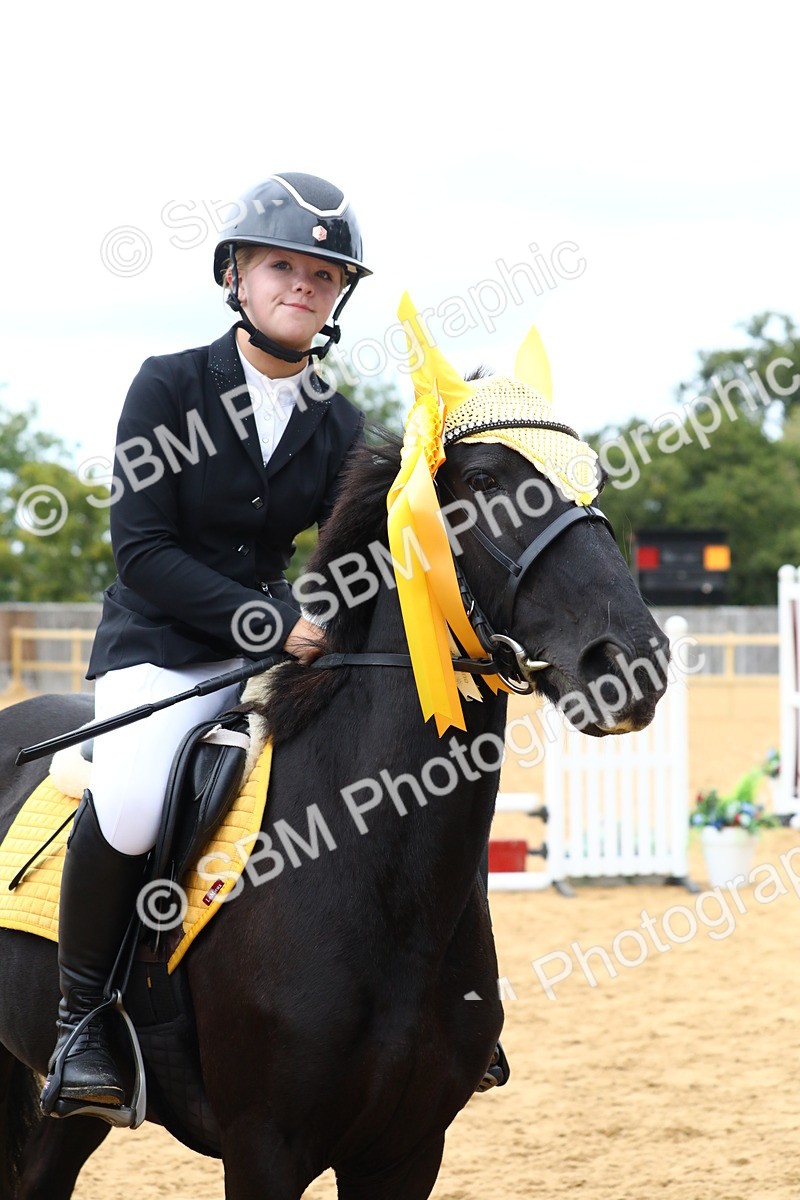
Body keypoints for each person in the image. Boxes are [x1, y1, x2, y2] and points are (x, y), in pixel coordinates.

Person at [41, 172, 371, 1114]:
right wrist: (270, 624)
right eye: (282, 266)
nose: (303, 286)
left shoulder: (339, 424)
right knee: (138, 798)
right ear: (236, 276)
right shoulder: (169, 384)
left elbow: (371, 550)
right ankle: (81, 1022)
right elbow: (141, 551)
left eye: (324, 274)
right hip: (158, 645)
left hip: (270, 655)